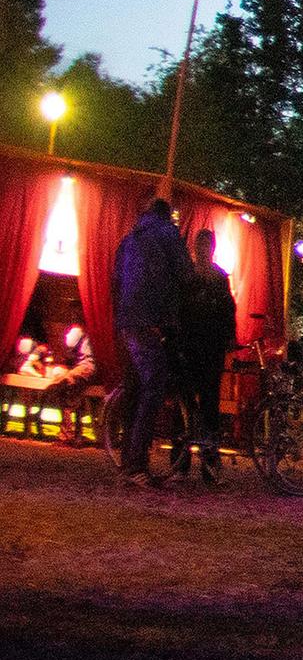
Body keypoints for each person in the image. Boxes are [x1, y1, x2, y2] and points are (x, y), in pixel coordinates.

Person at [112, 199, 193, 487]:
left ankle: (126, 461)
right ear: (167, 216)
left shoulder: (129, 239)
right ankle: (137, 465)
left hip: (127, 321)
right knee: (155, 385)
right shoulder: (169, 234)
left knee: (134, 388)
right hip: (153, 320)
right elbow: (187, 274)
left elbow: (115, 280)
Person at [176, 228, 236, 482]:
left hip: (207, 348)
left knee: (208, 408)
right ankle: (181, 464)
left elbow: (228, 312)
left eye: (206, 246)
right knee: (186, 407)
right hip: (192, 347)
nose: (203, 250)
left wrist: (229, 339)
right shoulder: (191, 276)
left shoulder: (216, 277)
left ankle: (207, 466)